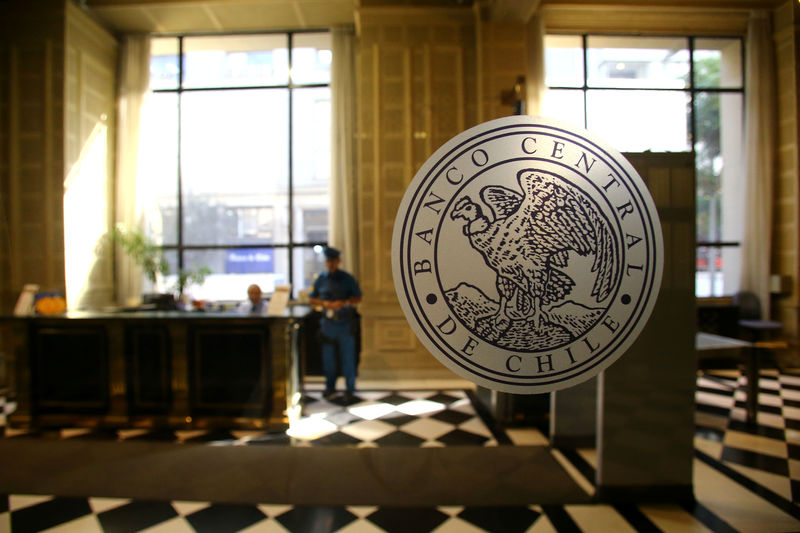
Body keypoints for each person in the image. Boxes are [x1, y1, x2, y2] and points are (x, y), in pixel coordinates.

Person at [309, 246, 362, 401]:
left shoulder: (347, 278)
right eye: (328, 261)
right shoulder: (321, 278)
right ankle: (330, 387)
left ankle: (350, 389)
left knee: (348, 359)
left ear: (338, 261)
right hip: (328, 325)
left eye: (333, 261)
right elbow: (312, 299)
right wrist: (326, 304)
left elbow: (358, 297)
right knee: (328, 360)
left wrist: (343, 302)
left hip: (345, 323)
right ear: (326, 262)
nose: (331, 264)